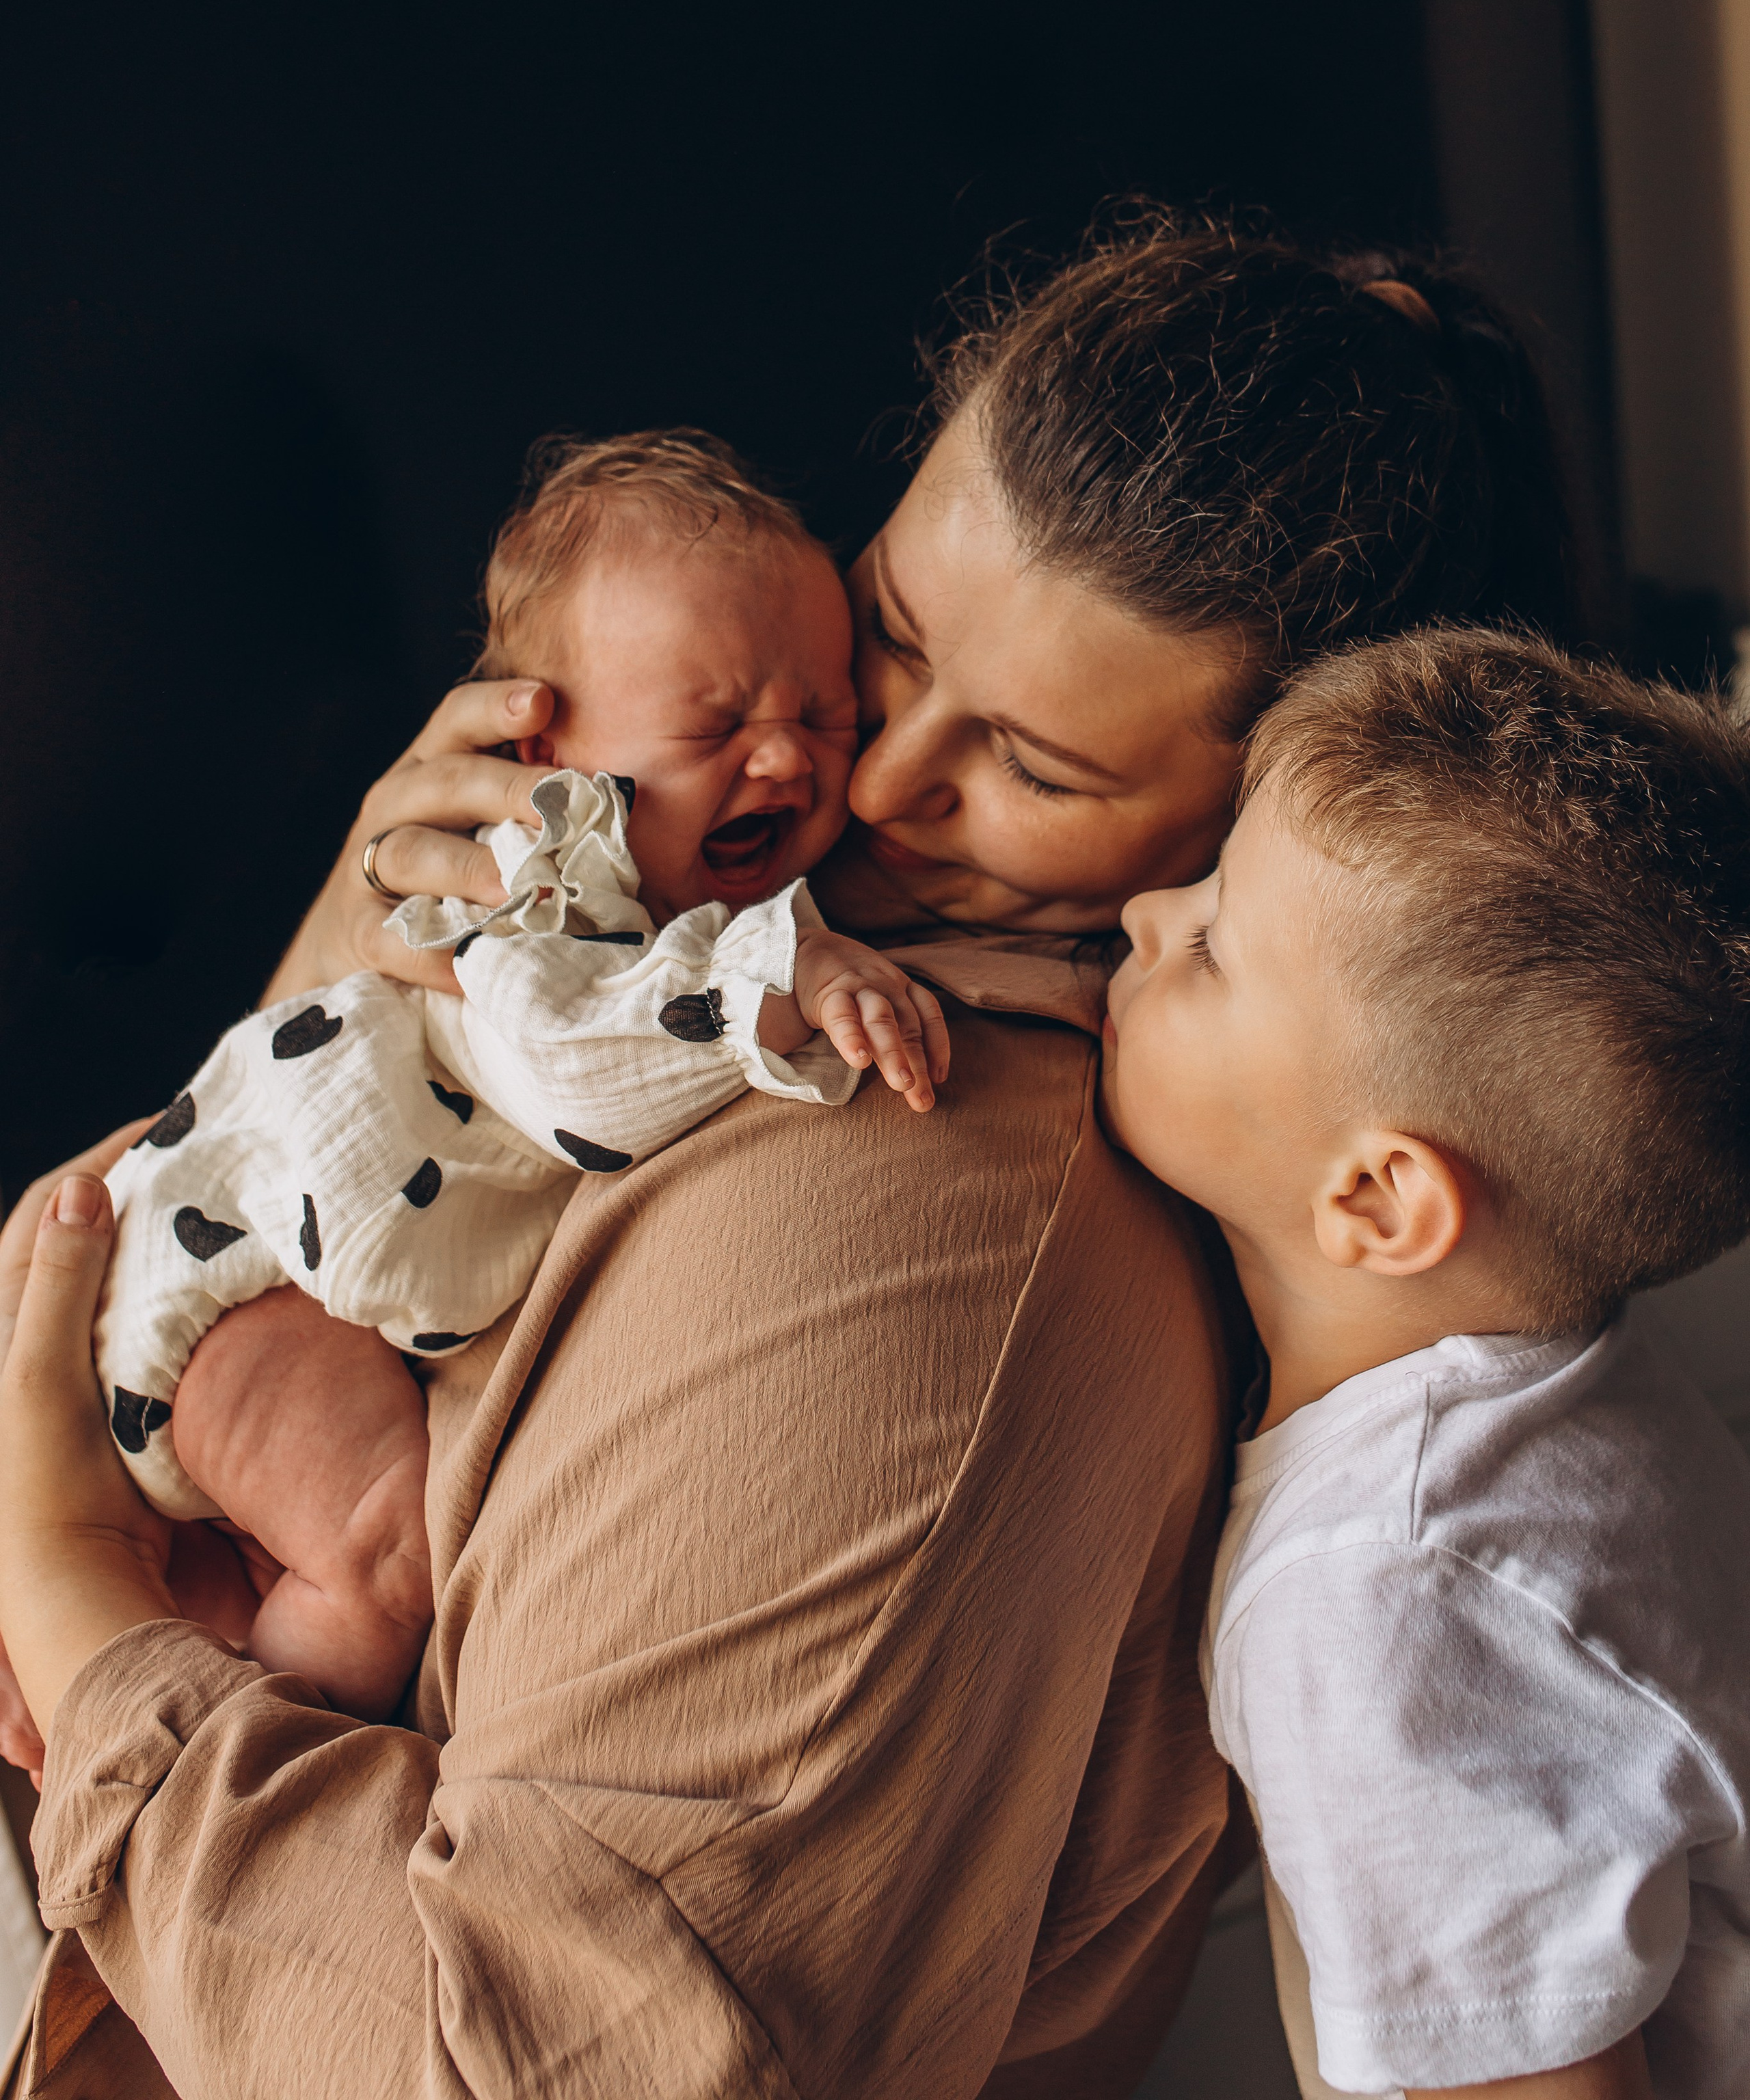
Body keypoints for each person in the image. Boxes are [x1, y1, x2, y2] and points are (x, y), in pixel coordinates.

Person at [0, 211, 1576, 2100]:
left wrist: (70, 1594)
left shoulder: (922, 1179)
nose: (878, 778)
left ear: (1276, 819)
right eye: (896, 630)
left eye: (1035, 770)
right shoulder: (671, 944)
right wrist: (362, 969)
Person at [21, 431, 947, 1724]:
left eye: (823, 713)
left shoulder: (699, 911)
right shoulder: (533, 898)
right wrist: (792, 981)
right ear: (547, 761)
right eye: (718, 722)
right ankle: (255, 1784)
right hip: (244, 1288)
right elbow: (585, 1075)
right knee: (384, 1556)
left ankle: (181, 1689)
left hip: (292, 1300)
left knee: (261, 1578)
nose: (786, 758)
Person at [1101, 628, 1750, 2100]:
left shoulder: (1374, 1601)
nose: (1142, 914)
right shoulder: (1569, 1366)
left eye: (1209, 948)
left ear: (1376, 1203)